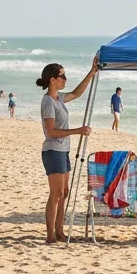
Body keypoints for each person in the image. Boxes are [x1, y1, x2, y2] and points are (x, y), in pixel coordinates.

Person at [38, 59, 98, 244]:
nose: (65, 79)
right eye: (62, 76)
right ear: (52, 80)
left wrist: (92, 72)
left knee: (64, 192)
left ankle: (59, 231)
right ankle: (50, 235)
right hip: (53, 150)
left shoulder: (59, 98)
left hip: (63, 150)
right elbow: (51, 132)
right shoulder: (48, 102)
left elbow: (76, 93)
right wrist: (77, 131)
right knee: (55, 193)